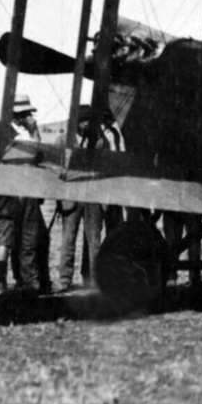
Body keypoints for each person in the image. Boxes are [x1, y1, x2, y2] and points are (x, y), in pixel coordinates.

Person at [57, 104, 124, 291]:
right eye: (83, 121)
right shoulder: (63, 140)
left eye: (89, 121)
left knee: (93, 239)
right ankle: (64, 280)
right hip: (70, 196)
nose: (86, 125)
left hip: (92, 196)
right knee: (68, 239)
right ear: (75, 122)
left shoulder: (99, 140)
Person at [10, 93, 52, 294]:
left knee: (39, 237)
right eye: (25, 113)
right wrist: (34, 131)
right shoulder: (12, 132)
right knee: (27, 238)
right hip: (20, 191)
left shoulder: (25, 132)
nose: (29, 117)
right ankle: (29, 281)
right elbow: (33, 155)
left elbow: (39, 153)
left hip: (29, 190)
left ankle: (38, 279)